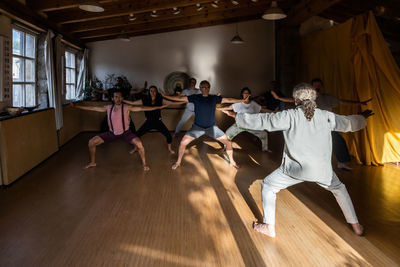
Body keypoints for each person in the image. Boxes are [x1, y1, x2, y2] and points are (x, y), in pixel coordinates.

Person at [226, 83, 373, 238]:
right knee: (339, 189)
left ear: (295, 100)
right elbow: (349, 123)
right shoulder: (326, 116)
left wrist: (239, 117)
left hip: (294, 171)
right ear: (314, 99)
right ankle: (356, 226)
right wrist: (362, 117)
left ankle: (269, 226)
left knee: (268, 185)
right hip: (322, 171)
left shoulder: (289, 115)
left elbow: (265, 120)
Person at [159, 80, 248, 170]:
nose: (205, 89)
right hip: (197, 127)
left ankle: (232, 162)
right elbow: (180, 98)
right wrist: (165, 96)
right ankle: (178, 162)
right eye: (203, 87)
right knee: (182, 143)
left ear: (209, 88)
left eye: (207, 87)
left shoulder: (213, 98)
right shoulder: (195, 97)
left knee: (228, 143)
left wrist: (242, 100)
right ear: (200, 88)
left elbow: (228, 99)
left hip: (212, 127)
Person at [71, 90, 167, 171]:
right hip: (111, 133)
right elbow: (92, 108)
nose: (118, 98)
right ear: (113, 98)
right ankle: (92, 162)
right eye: (116, 97)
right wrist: (76, 106)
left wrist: (159, 107)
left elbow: (142, 108)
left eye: (120, 97)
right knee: (91, 142)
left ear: (122, 98)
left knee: (139, 144)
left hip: (126, 133)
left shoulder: (127, 107)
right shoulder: (108, 108)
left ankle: (144, 164)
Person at [124, 85, 185, 154]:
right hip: (148, 122)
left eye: (154, 91)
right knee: (136, 135)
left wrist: (184, 101)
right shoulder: (144, 100)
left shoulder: (160, 100)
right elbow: (132, 103)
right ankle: (135, 148)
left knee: (168, 136)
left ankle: (169, 149)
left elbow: (173, 103)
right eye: (151, 91)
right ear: (149, 92)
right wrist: (121, 99)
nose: (153, 92)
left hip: (158, 122)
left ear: (156, 92)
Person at [219, 87, 273, 152]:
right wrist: (218, 109)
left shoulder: (253, 104)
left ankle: (265, 149)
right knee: (227, 133)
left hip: (251, 125)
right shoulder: (239, 103)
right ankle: (225, 147)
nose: (246, 94)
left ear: (250, 94)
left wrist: (273, 112)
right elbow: (228, 107)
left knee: (264, 134)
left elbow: (262, 109)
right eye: (244, 93)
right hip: (240, 125)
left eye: (247, 93)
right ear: (242, 94)